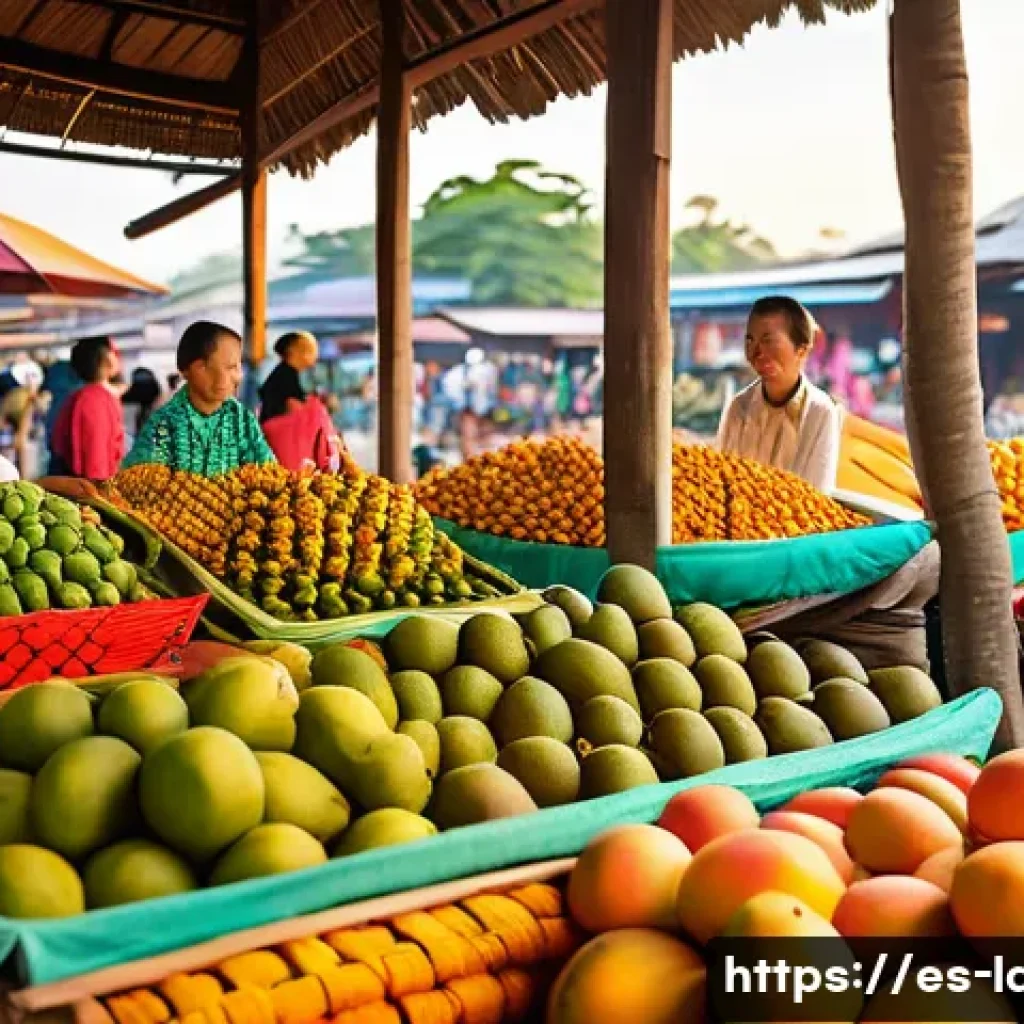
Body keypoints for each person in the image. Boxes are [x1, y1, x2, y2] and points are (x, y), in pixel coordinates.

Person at [717, 296, 841, 491]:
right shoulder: (738, 408)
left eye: (768, 341)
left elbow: (816, 498)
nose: (756, 352)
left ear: (801, 350)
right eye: (750, 341)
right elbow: (719, 483)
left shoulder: (820, 412)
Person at [123, 321, 274, 475]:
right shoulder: (164, 425)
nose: (234, 376)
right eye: (230, 367)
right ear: (192, 370)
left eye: (236, 367)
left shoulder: (242, 420)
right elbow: (139, 480)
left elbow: (268, 472)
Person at [50, 335, 125, 481]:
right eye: (114, 352)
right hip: (91, 491)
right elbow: (96, 463)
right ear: (106, 358)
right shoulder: (94, 401)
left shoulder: (81, 396)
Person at [259, 331, 318, 424]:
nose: (315, 355)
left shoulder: (285, 372)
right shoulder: (285, 376)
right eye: (309, 350)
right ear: (293, 351)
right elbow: (293, 407)